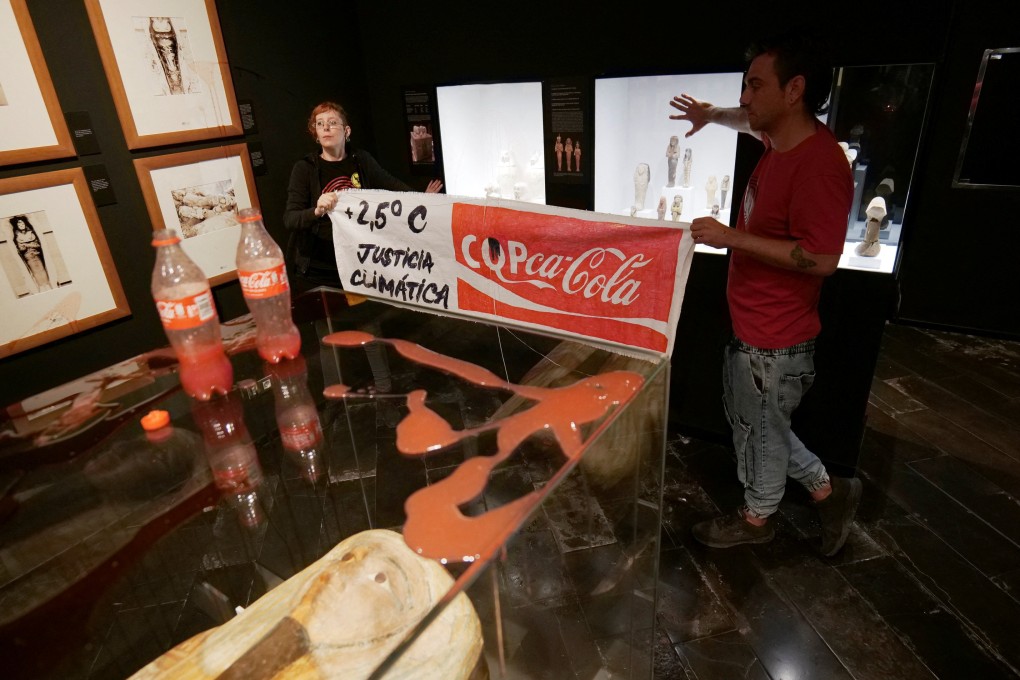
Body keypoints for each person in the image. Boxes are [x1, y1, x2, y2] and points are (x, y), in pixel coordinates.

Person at [668, 31, 862, 556]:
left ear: (794, 89)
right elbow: (746, 119)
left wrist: (730, 237)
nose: (745, 97)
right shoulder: (780, 140)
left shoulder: (819, 166)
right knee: (758, 424)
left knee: (757, 431)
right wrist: (711, 115)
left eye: (755, 86)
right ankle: (829, 491)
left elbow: (822, 259)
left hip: (775, 341)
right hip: (756, 328)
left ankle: (758, 519)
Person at [283, 101, 442, 291]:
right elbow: (290, 219)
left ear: (347, 131)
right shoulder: (305, 168)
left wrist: (422, 200)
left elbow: (392, 186)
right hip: (320, 271)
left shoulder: (361, 160)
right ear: (316, 134)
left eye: (332, 122)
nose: (325, 127)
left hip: (358, 266)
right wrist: (316, 211)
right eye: (319, 123)